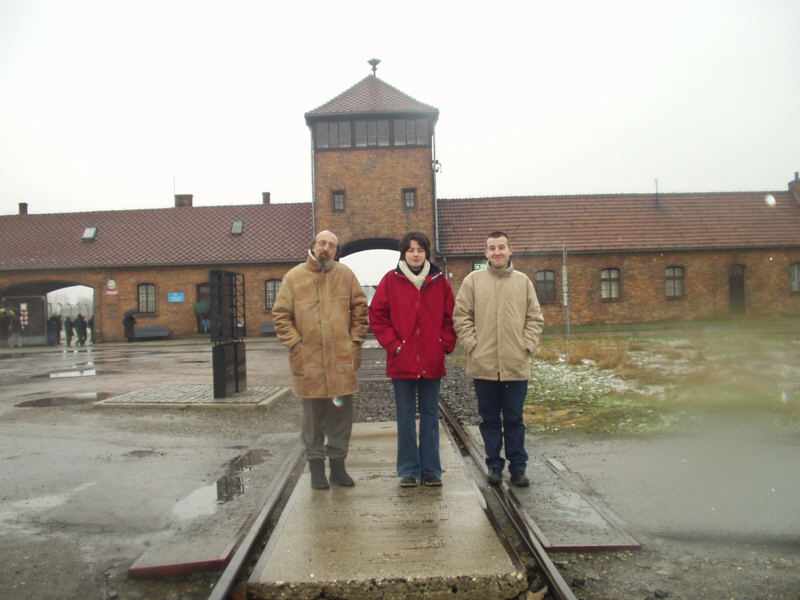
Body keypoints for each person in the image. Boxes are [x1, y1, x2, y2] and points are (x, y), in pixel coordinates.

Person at [272, 230, 368, 490]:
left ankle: (338, 467)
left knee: (340, 416)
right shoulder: (294, 278)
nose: (327, 248)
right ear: (313, 246)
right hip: (310, 361)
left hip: (340, 361)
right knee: (313, 419)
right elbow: (281, 314)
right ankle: (316, 468)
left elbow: (360, 307)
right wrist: (295, 344)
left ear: (336, 251)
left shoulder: (345, 276)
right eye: (323, 243)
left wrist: (355, 340)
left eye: (332, 245)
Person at [453, 231, 544, 487]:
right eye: (492, 248)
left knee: (515, 419)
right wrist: (473, 346)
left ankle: (518, 467)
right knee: (490, 419)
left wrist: (526, 346)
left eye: (501, 247)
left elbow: (535, 318)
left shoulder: (523, 282)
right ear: (486, 253)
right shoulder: (473, 281)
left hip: (516, 365)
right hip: (484, 366)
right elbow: (461, 316)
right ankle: (494, 465)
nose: (497, 252)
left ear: (510, 250)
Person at [369, 232, 456, 488]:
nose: (415, 254)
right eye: (410, 249)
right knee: (405, 417)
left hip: (432, 361)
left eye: (420, 249)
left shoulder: (440, 282)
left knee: (430, 416)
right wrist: (394, 346)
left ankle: (431, 471)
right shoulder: (391, 281)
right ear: (403, 253)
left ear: (426, 252)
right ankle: (408, 470)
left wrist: (443, 345)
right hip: (402, 362)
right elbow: (378, 316)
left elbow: (450, 318)